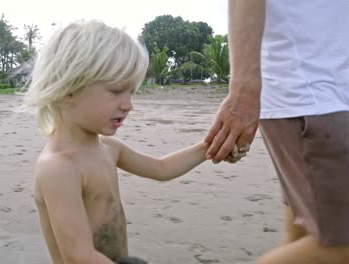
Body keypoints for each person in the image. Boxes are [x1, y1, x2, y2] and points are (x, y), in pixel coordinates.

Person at [20, 20, 209, 264]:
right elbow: (79, 255)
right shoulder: (59, 167)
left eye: (132, 92)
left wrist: (208, 147)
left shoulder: (108, 149)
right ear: (68, 90)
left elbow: (162, 169)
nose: (128, 104)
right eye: (117, 90)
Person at [205, 0, 349, 263]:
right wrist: (243, 89)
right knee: (340, 250)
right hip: (308, 99)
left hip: (312, 97)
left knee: (304, 238)